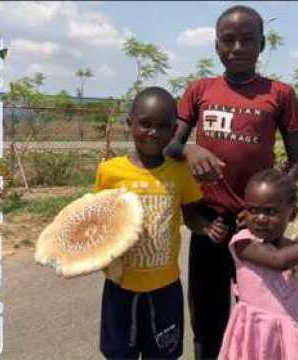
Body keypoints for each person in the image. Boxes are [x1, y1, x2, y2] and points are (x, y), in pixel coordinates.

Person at [164, 5, 298, 358]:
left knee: (265, 314)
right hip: (209, 222)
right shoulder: (200, 90)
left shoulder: (280, 93)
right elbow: (172, 145)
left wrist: (269, 210)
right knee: (208, 321)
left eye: (247, 39)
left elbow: (296, 160)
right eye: (228, 40)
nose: (238, 47)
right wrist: (192, 149)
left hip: (257, 225)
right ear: (216, 47)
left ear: (262, 44)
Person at [94, 86, 228, 359]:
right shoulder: (109, 172)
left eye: (163, 126)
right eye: (145, 124)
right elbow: (99, 219)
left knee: (163, 354)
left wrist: (204, 227)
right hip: (120, 285)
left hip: (165, 287)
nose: (153, 132)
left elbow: (189, 214)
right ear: (130, 123)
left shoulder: (180, 172)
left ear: (173, 129)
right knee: (120, 353)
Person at [219, 169, 298, 360]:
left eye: (270, 211)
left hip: (293, 343)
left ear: (292, 214)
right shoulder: (244, 243)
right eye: (252, 210)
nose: (260, 218)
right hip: (256, 337)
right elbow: (278, 262)